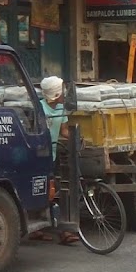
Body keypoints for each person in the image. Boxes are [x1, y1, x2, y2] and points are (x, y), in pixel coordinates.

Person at [30, 75, 78, 245]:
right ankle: (57, 230)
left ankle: (52, 229)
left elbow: (64, 131)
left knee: (54, 192)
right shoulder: (39, 109)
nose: (64, 93)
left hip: (54, 156)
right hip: (39, 157)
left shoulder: (61, 109)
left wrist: (77, 138)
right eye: (62, 91)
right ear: (56, 94)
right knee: (47, 192)